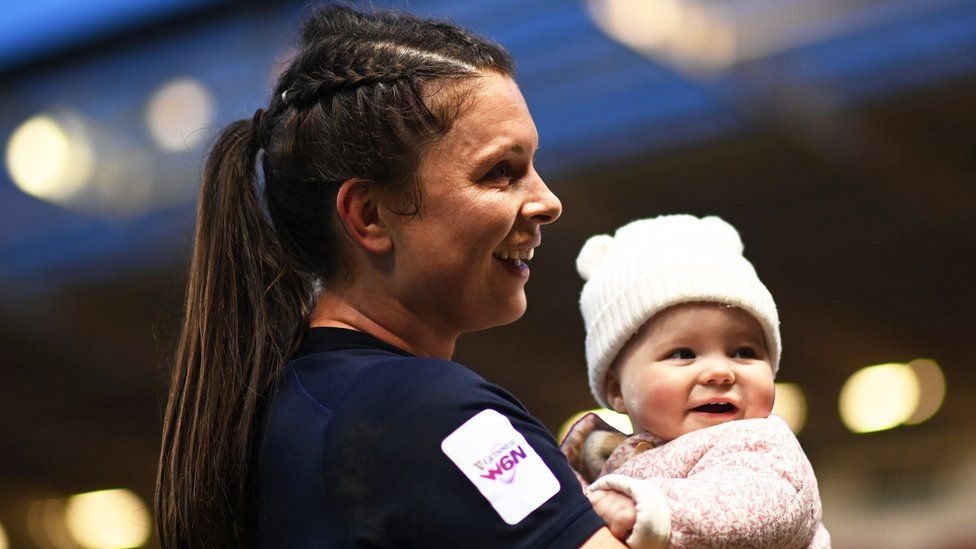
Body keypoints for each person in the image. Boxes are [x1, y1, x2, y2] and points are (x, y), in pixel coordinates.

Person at [155, 5, 627, 547]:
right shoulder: (426, 409)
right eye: (501, 171)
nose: (548, 202)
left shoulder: (280, 410)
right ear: (370, 215)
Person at [561, 214, 831, 548]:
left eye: (744, 351)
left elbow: (754, 507)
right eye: (683, 354)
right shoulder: (606, 463)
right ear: (617, 389)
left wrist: (651, 509)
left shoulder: (762, 444)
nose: (721, 372)